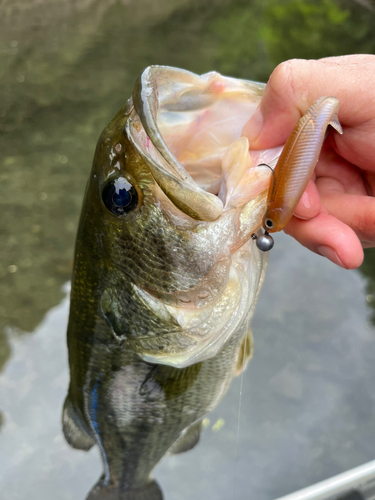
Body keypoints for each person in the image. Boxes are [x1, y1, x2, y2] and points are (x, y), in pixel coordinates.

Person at [242, 54, 375, 270]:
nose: (270, 225)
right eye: (269, 223)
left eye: (269, 223)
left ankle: (326, 109)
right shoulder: (278, 207)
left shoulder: (276, 210)